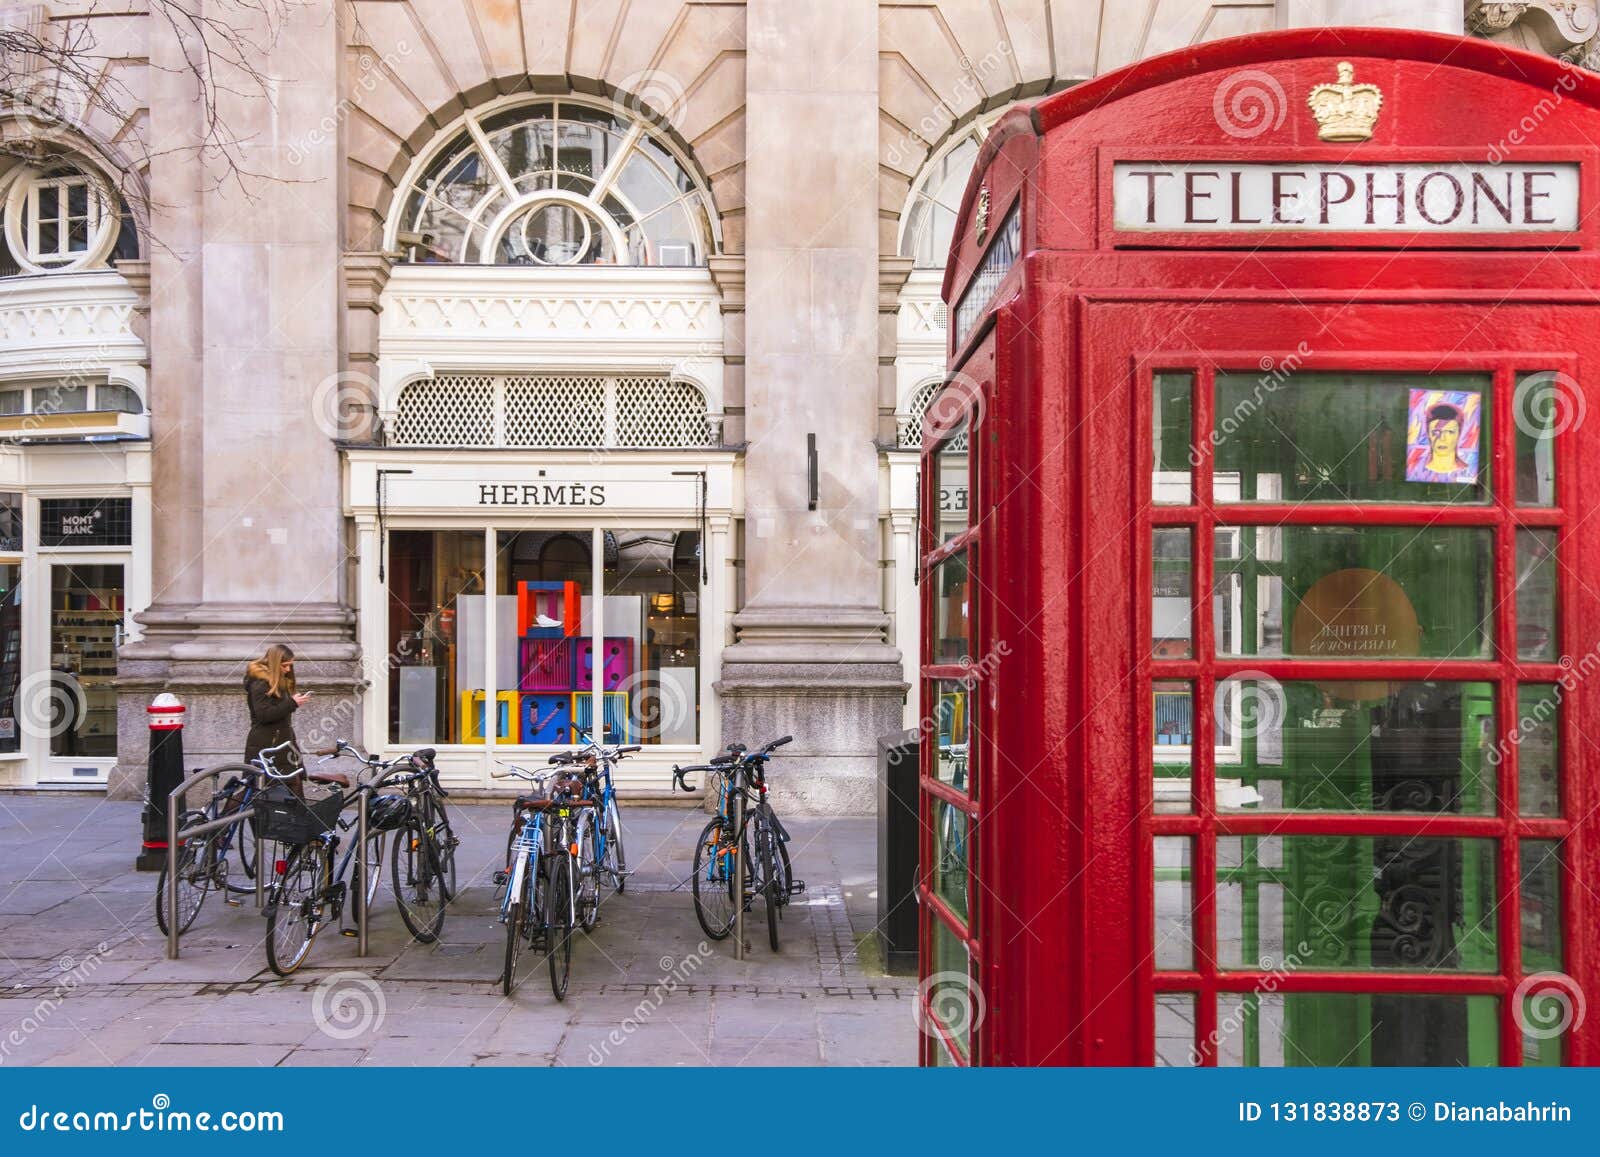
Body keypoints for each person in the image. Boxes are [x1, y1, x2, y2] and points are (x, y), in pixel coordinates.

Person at [243, 643, 310, 779]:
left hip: (281, 743)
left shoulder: (278, 682)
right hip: (267, 744)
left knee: (292, 786)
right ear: (274, 664)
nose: (288, 669)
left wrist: (291, 702)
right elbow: (264, 715)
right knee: (256, 790)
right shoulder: (260, 683)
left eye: (290, 665)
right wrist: (292, 703)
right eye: (284, 665)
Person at [1412, 402, 1476, 483]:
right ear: (1428, 434)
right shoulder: (1416, 471)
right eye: (1436, 432)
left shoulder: (1470, 472)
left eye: (1450, 431)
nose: (1442, 438)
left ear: (1458, 434)